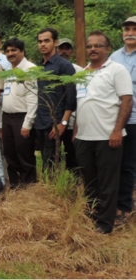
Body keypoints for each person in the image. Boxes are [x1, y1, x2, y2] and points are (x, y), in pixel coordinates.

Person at [74, 31, 133, 233]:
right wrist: (75, 131)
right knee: (90, 181)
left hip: (108, 137)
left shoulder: (117, 70)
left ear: (107, 49)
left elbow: (127, 101)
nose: (93, 49)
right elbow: (79, 104)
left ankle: (105, 225)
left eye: (98, 46)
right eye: (89, 46)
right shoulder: (81, 73)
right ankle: (92, 218)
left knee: (108, 182)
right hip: (84, 137)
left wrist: (118, 130)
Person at [0, 38, 38, 187]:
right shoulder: (8, 72)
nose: (10, 53)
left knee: (24, 152)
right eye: (7, 51)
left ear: (22, 51)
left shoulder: (30, 69)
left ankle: (29, 186)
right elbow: (5, 98)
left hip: (22, 117)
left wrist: (28, 123)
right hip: (7, 117)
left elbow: (33, 99)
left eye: (14, 50)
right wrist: (2, 122)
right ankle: (15, 185)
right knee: (9, 153)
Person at [35, 28, 76, 169]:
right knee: (46, 162)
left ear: (55, 42)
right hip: (41, 121)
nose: (43, 44)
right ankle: (48, 189)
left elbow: (71, 98)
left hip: (56, 122)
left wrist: (63, 123)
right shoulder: (39, 67)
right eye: (40, 41)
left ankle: (59, 190)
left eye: (47, 41)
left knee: (54, 163)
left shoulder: (64, 66)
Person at [110, 16, 136, 225]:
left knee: (129, 163)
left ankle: (126, 207)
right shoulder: (114, 57)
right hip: (116, 119)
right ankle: (117, 204)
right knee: (116, 162)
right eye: (126, 29)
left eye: (134, 29)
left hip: (135, 118)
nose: (129, 32)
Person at [56, 38, 82, 173]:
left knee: (72, 156)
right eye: (60, 48)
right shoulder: (49, 70)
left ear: (71, 52)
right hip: (53, 121)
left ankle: (73, 186)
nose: (63, 52)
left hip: (72, 122)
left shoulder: (79, 71)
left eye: (66, 48)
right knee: (53, 156)